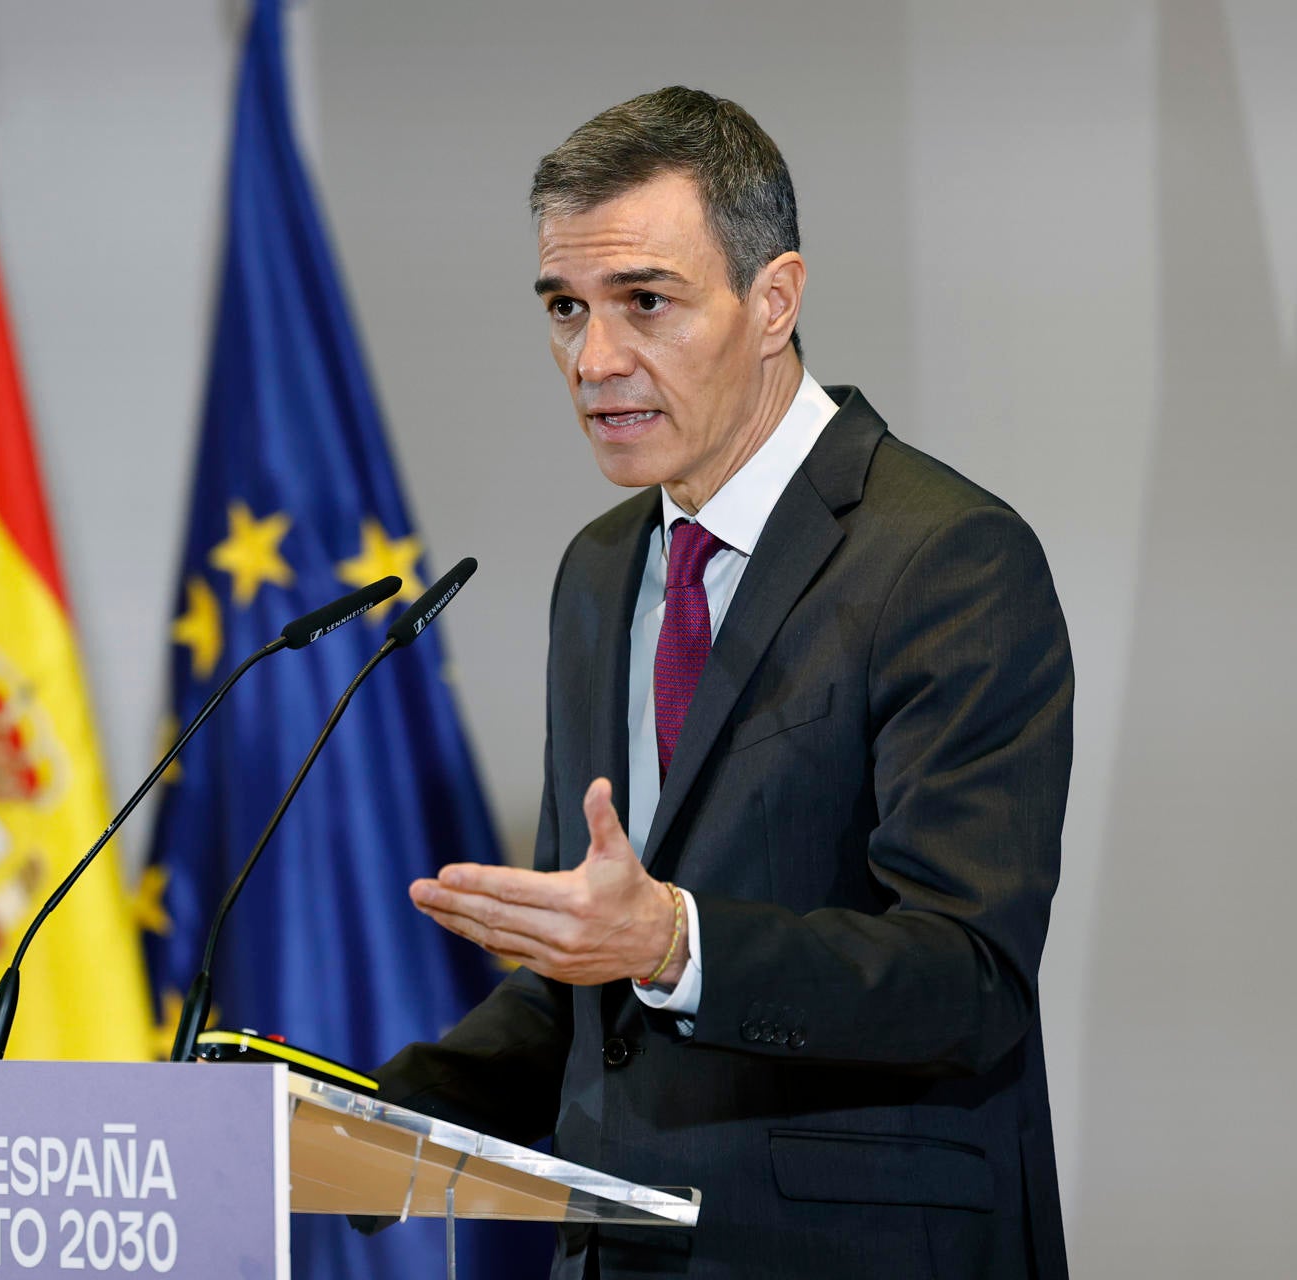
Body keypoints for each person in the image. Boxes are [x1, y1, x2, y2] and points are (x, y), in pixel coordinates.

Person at [373, 87, 1072, 1279]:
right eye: (565, 307)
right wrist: (363, 1116)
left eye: (645, 301)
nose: (595, 359)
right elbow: (584, 982)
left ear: (774, 299)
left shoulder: (944, 554)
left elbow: (967, 975)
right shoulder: (600, 573)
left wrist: (674, 941)